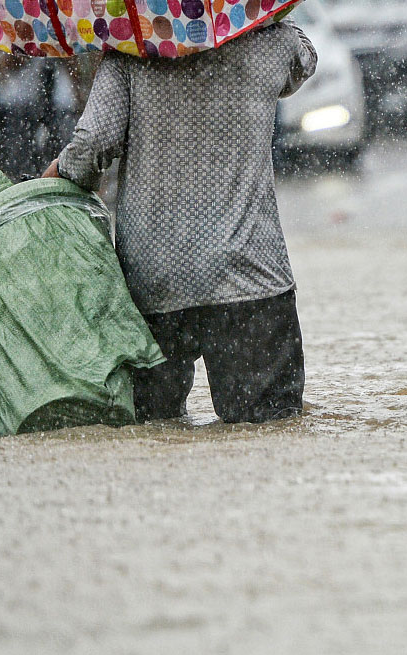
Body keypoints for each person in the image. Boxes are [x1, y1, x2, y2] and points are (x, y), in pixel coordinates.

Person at [51, 21, 318, 424]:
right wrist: (271, 6)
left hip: (153, 280)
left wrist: (58, 175)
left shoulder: (128, 50)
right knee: (269, 429)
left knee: (150, 429)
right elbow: (305, 59)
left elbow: (92, 145)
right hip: (249, 277)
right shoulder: (273, 42)